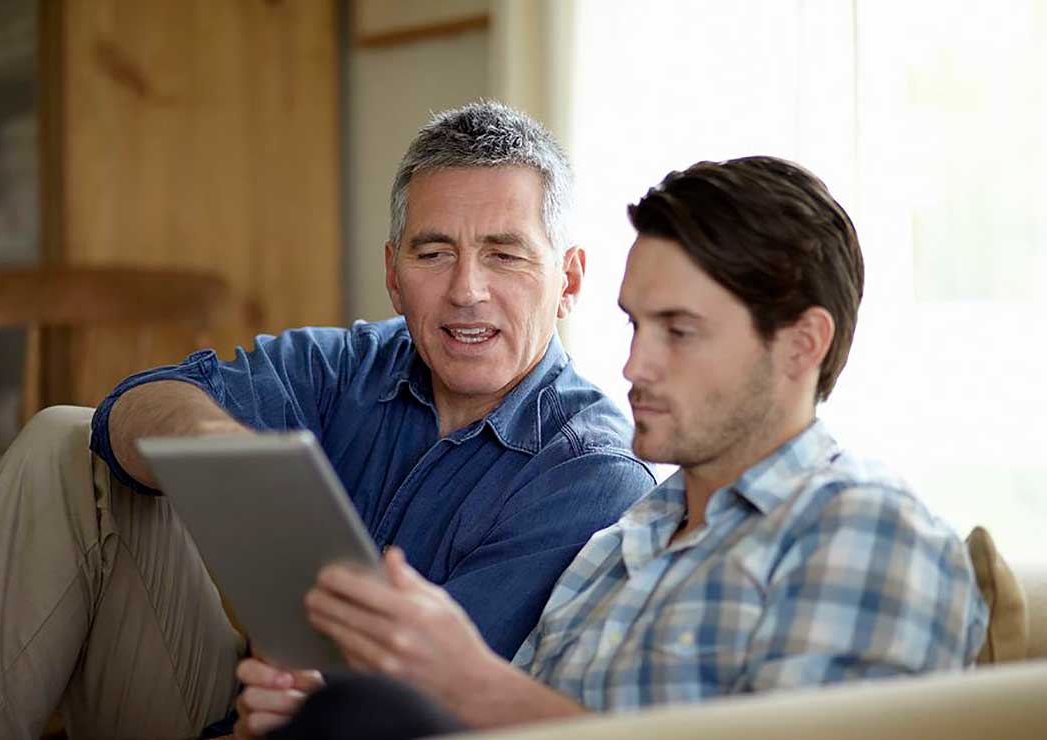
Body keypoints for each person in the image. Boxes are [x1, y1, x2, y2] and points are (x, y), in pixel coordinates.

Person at [0, 101, 656, 740]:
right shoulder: (345, 366)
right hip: (236, 705)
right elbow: (135, 404)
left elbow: (434, 708)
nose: (467, 290)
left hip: (365, 728)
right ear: (393, 274)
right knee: (67, 436)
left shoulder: (594, 476)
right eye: (434, 253)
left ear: (569, 280)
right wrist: (219, 443)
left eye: (504, 255)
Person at [234, 156, 989, 739]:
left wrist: (470, 685)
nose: (633, 366)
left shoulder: (864, 530)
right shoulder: (621, 543)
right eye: (634, 326)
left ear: (800, 345)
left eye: (679, 331)